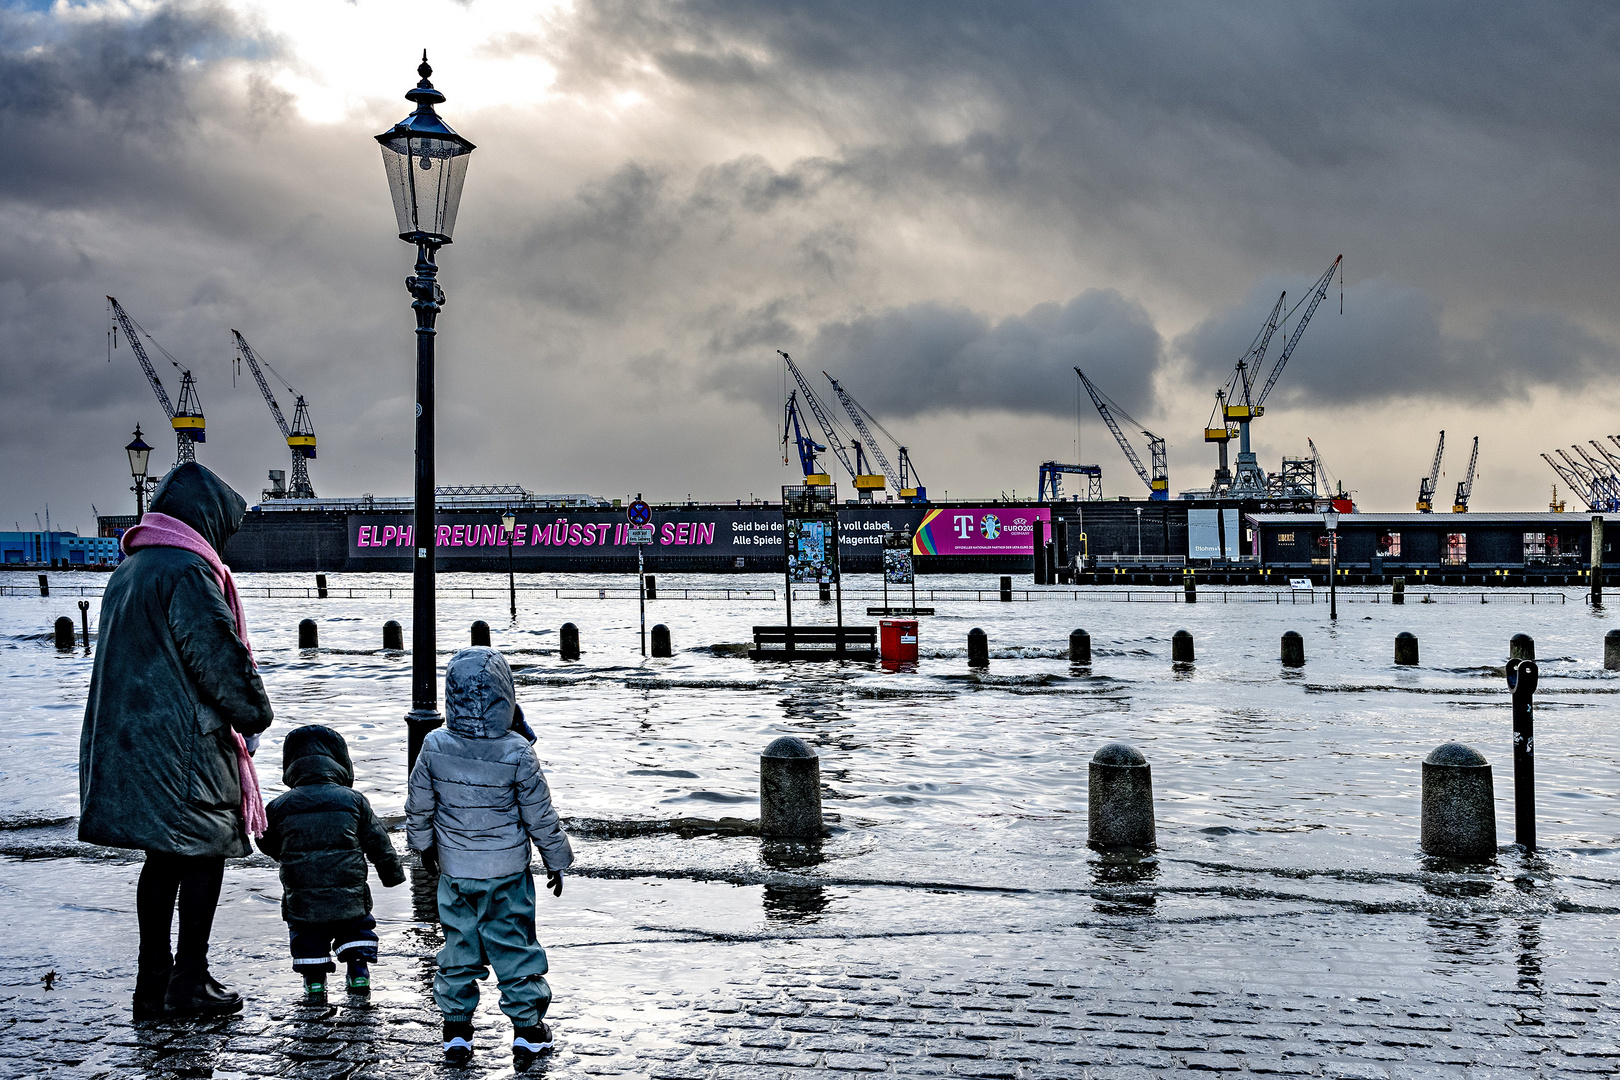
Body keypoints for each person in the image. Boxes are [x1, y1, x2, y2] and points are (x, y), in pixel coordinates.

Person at [79, 462, 274, 1018]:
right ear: (203, 516)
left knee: (160, 860)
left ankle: (152, 981)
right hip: (182, 743)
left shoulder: (133, 567)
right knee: (205, 852)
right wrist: (254, 714)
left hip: (133, 740)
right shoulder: (188, 571)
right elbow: (216, 655)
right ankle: (189, 981)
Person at [406, 647, 573, 1072]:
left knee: (459, 947)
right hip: (507, 873)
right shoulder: (517, 750)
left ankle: (457, 1030)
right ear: (506, 695)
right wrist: (556, 859)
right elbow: (540, 815)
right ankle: (528, 1032)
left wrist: (423, 847)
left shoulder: (434, 744)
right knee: (514, 948)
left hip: (456, 871)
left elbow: (419, 806)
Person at [258, 725, 405, 1001]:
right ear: (341, 762)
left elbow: (264, 839)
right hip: (348, 890)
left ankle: (314, 982)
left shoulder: (280, 806)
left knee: (307, 934)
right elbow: (379, 843)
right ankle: (358, 973)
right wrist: (392, 874)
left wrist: (285, 855)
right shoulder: (354, 801)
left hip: (302, 893)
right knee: (356, 927)